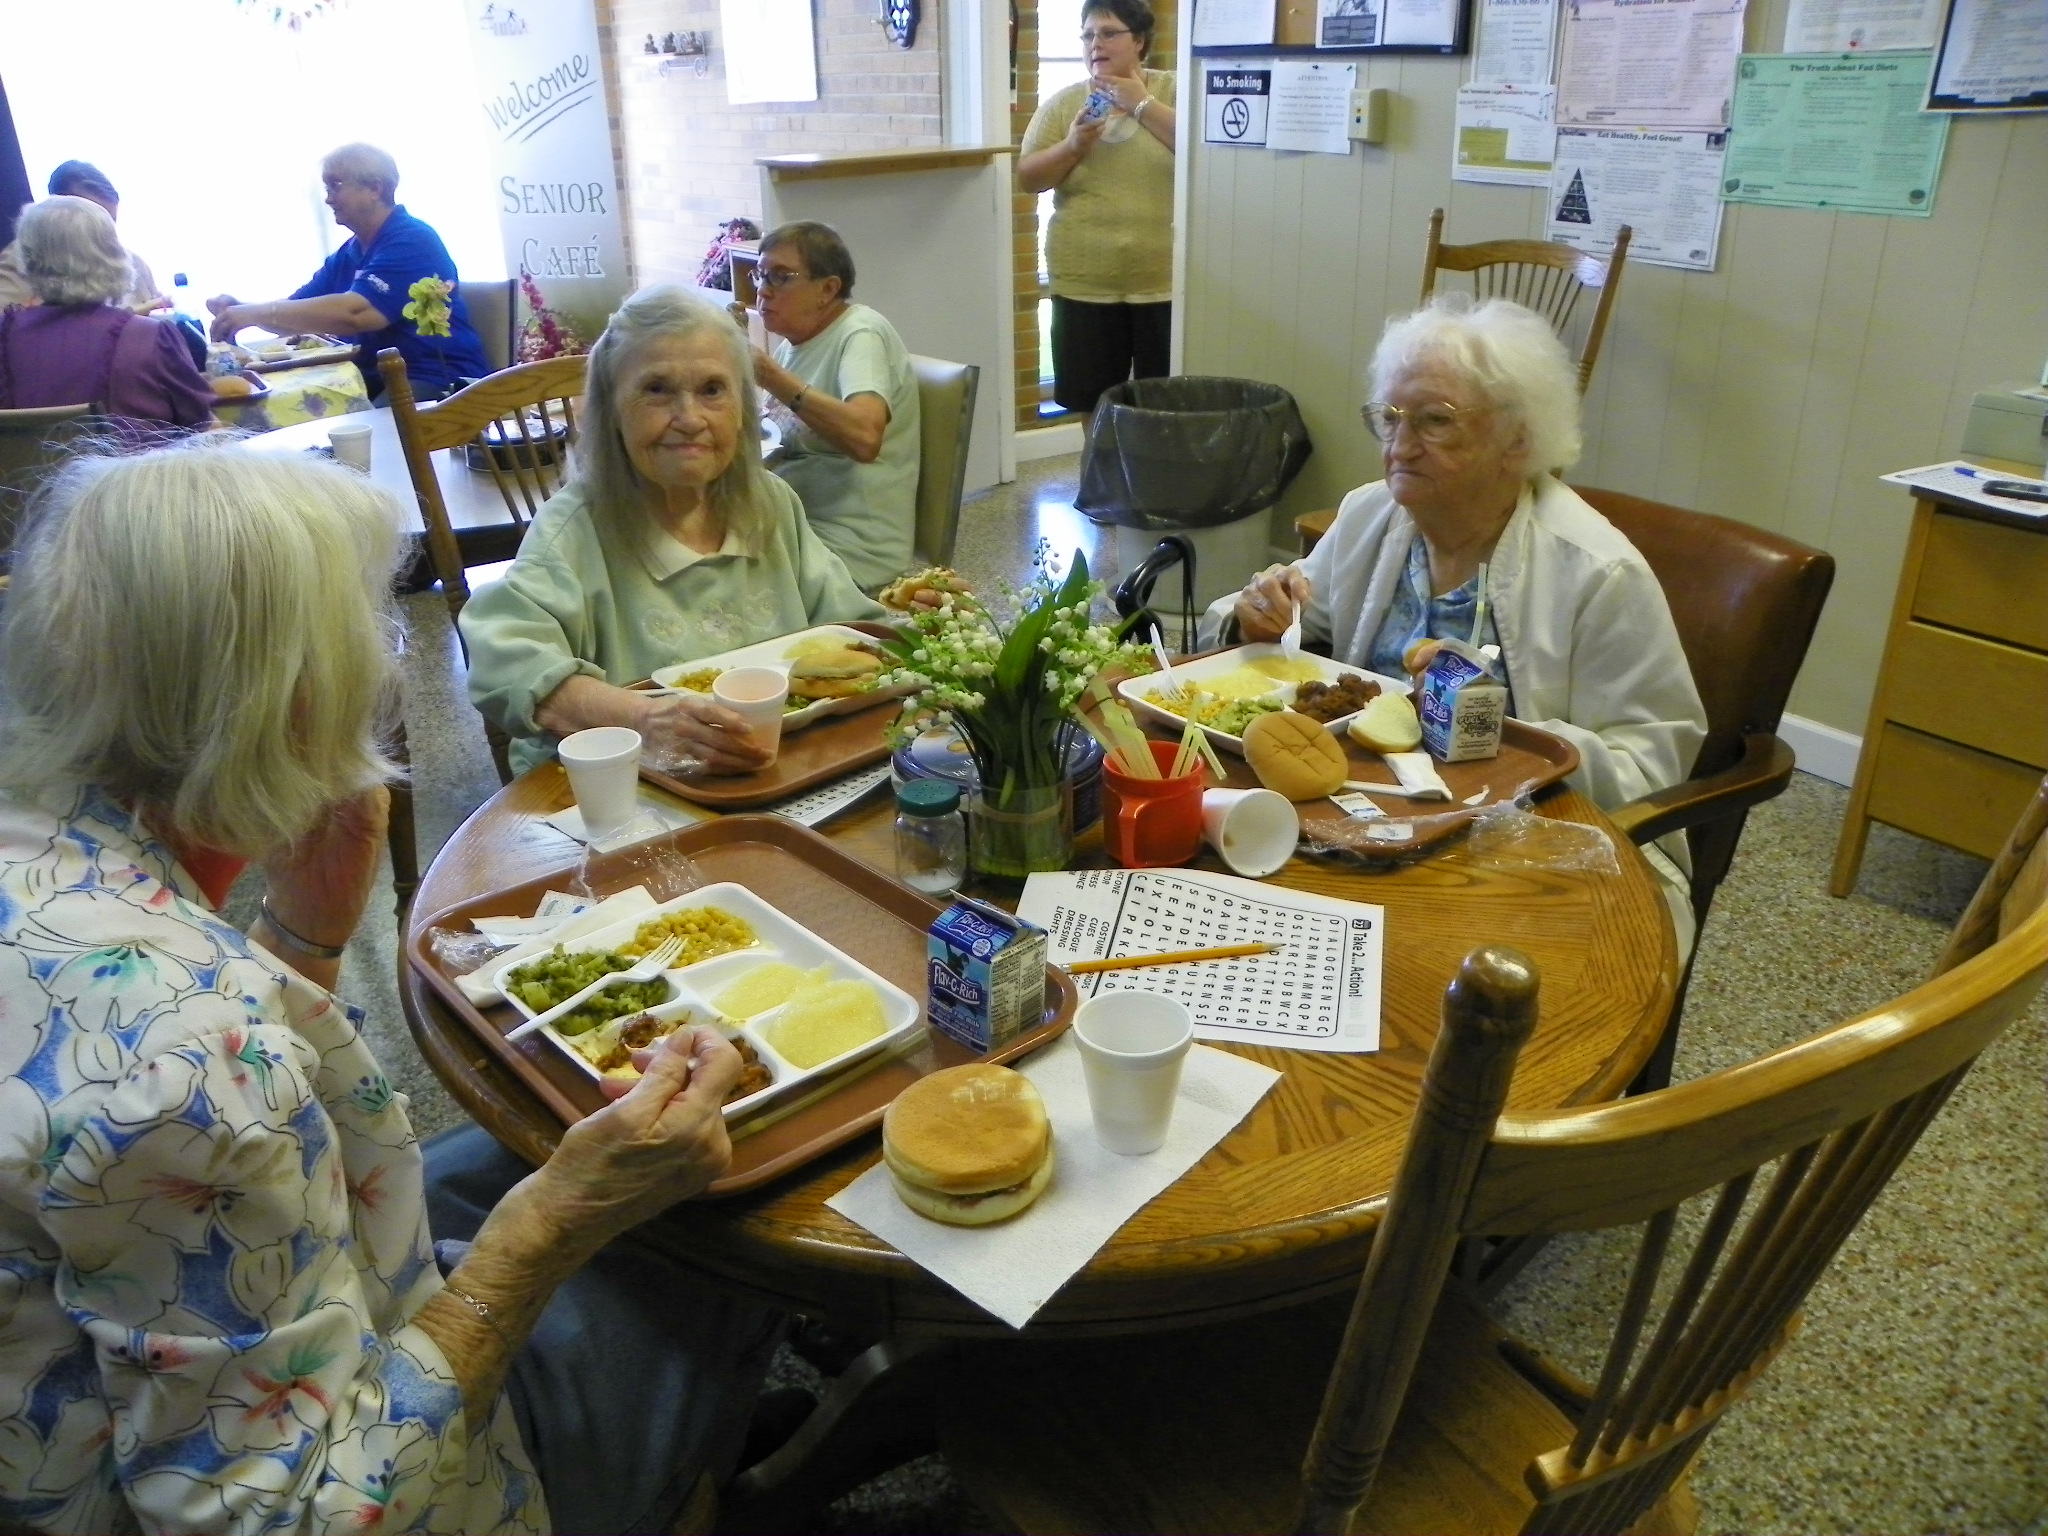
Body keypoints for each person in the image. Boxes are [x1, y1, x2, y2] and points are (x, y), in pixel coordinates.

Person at [0, 444, 783, 1535]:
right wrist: (557, 1224)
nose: (383, 658)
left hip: (212, 1332)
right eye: (364, 628)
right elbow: (299, 1516)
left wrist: (306, 935)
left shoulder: (44, 854)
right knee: (710, 1242)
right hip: (387, 1480)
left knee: (508, 1149)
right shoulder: (185, 1061)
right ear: (290, 696)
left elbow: (212, 1173)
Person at [1209, 297, 1708, 949]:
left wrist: (1496, 727)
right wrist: (1259, 620)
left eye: (1435, 422)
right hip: (1358, 812)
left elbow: (1652, 767)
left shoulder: (1598, 572)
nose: (1399, 447)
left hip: (1524, 841)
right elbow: (1297, 622)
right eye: (1390, 419)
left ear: (1518, 440)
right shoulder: (1370, 515)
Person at [462, 284, 887, 776]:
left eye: (712, 390)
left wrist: (925, 626)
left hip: (778, 769)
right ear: (612, 410)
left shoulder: (770, 503)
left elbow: (850, 628)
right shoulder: (575, 529)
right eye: (657, 389)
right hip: (639, 790)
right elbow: (503, 660)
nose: (689, 419)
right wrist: (640, 717)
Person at [207, 143, 488, 399]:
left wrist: (253, 314)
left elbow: (357, 314)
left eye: (335, 186)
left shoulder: (413, 240)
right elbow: (296, 313)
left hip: (439, 380)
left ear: (375, 189)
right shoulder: (350, 252)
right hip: (374, 377)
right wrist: (240, 310)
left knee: (350, 435)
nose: (328, 199)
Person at [1017, 0, 1177, 414]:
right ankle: (1101, 479)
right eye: (1087, 35)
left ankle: (1154, 480)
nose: (1095, 44)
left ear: (1139, 41)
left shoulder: (1176, 92)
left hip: (1165, 282)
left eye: (1108, 33)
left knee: (1166, 404)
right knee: (1091, 402)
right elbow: (1029, 178)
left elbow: (1203, 151)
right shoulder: (1065, 104)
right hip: (1084, 281)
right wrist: (1073, 145)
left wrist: (1141, 103)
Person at [751, 221, 922, 592]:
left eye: (780, 277)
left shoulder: (860, 335)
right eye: (760, 275)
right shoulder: (793, 346)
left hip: (851, 544)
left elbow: (864, 436)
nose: (763, 291)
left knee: (712, 576)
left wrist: (770, 376)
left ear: (828, 289)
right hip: (796, 524)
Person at [0, 197, 212, 436]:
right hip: (136, 473)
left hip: (27, 474)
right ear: (113, 253)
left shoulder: (5, 336)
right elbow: (203, 424)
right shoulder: (151, 338)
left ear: (28, 257)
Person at [0, 161, 168, 314]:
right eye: (92, 224)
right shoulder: (21, 260)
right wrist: (129, 319)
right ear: (57, 212)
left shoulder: (135, 264)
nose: (106, 240)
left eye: (109, 225)